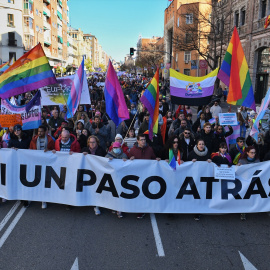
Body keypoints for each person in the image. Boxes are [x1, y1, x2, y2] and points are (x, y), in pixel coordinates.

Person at [129, 134, 160, 219]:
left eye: (144, 140)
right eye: (141, 140)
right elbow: (127, 163)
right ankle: (140, 210)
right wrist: (129, 159)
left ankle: (144, 209)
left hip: (147, 175)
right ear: (138, 141)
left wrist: (156, 160)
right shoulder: (132, 150)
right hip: (137, 176)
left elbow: (153, 158)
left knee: (146, 192)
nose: (143, 141)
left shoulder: (149, 149)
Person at [29, 125, 55, 209]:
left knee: (44, 181)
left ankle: (44, 200)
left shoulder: (50, 140)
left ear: (45, 132)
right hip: (36, 163)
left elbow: (54, 151)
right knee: (35, 180)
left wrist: (49, 150)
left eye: (41, 131)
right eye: (38, 131)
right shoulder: (34, 140)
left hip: (47, 163)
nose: (39, 133)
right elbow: (31, 150)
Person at [81, 135, 106, 215]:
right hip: (87, 173)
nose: (92, 144)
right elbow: (77, 158)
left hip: (98, 173)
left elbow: (106, 159)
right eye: (90, 142)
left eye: (93, 142)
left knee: (97, 189)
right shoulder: (84, 149)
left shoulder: (101, 150)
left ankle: (97, 206)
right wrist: (82, 155)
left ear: (97, 142)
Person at [187, 139, 211, 221]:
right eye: (200, 144)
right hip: (194, 178)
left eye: (202, 144)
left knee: (201, 195)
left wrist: (210, 161)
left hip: (203, 179)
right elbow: (186, 164)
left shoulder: (207, 153)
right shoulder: (192, 153)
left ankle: (198, 212)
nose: (201, 145)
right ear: (197, 145)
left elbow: (211, 164)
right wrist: (191, 161)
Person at [8, 124, 31, 207]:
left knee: (25, 180)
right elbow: (8, 150)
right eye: (15, 130)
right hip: (16, 163)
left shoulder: (27, 138)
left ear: (21, 130)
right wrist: (11, 150)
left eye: (18, 130)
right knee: (18, 181)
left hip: (26, 163)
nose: (17, 132)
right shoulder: (12, 140)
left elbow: (31, 147)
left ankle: (25, 198)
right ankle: (21, 198)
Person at [106, 141, 128, 218]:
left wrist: (126, 161)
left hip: (121, 177)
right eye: (114, 147)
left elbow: (128, 165)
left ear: (120, 147)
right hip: (112, 177)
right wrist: (108, 159)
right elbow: (104, 163)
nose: (115, 149)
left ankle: (119, 210)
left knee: (120, 193)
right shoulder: (109, 155)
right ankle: (114, 207)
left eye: (117, 147)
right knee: (113, 193)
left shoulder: (124, 155)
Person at [238, 146, 260, 221]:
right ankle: (243, 212)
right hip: (244, 182)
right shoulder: (242, 161)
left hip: (254, 181)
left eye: (254, 152)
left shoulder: (257, 161)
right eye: (251, 153)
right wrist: (238, 167)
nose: (253, 154)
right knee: (244, 197)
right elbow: (238, 172)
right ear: (247, 153)